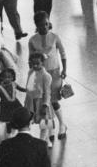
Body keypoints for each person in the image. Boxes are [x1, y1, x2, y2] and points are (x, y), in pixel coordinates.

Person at [28, 12, 68, 141]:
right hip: (41, 74)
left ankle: (62, 124)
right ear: (36, 26)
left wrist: (65, 69)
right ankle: (50, 130)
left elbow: (63, 54)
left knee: (53, 100)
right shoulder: (32, 40)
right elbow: (31, 59)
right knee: (44, 102)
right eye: (41, 25)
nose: (44, 27)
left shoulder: (55, 37)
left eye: (46, 23)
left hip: (55, 73)